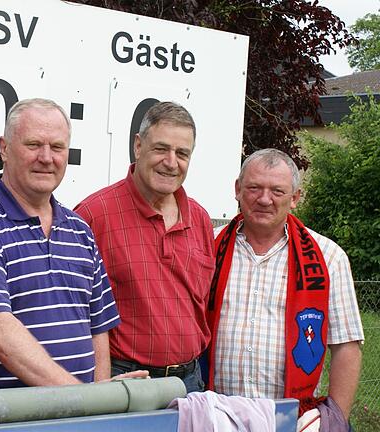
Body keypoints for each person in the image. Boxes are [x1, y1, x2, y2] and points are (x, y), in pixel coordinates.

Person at [0, 98, 143, 392]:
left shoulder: (80, 230)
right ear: (4, 148)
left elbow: (97, 329)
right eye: (34, 144)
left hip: (74, 420)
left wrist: (100, 409)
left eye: (57, 147)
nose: (47, 157)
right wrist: (83, 401)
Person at [206, 148, 363, 426]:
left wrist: (336, 420)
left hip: (292, 419)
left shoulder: (328, 257)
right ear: (238, 189)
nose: (264, 199)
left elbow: (346, 345)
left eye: (277, 191)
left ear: (295, 198)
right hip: (216, 414)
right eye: (254, 187)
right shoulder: (208, 246)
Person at [74, 101, 214, 393]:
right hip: (125, 381)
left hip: (189, 381)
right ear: (138, 146)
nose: (171, 162)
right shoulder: (93, 215)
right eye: (161, 149)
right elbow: (72, 313)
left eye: (182, 153)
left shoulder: (199, 219)